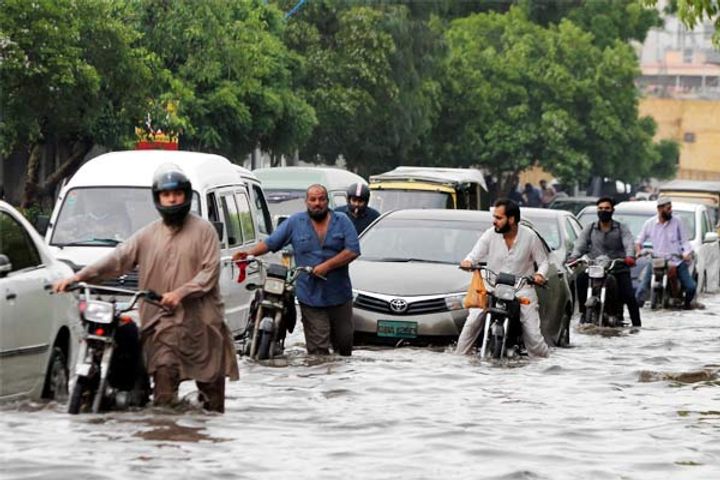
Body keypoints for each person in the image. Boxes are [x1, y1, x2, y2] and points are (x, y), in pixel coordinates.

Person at [54, 164, 239, 413]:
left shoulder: (205, 231)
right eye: (166, 194)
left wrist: (180, 293)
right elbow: (117, 259)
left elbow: (209, 274)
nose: (172, 199)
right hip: (162, 325)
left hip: (203, 327)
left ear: (185, 195)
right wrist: (78, 277)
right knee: (163, 399)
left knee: (212, 404)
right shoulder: (147, 235)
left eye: (176, 193)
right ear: (158, 198)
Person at [233, 184, 360, 356]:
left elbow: (353, 250)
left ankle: (340, 382)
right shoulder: (295, 222)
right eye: (313, 199)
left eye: (321, 199)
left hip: (339, 295)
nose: (317, 203)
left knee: (344, 348)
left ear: (327, 201)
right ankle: (319, 380)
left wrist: (326, 266)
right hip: (310, 296)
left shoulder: (342, 220)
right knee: (318, 351)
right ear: (306, 202)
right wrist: (247, 254)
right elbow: (271, 243)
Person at [455, 198, 550, 358]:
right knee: (472, 322)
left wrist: (540, 275)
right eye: (494, 217)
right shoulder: (490, 235)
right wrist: (468, 262)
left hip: (521, 289)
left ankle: (544, 368)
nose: (494, 222)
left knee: (533, 336)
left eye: (498, 218)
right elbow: (474, 255)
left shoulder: (530, 237)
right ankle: (459, 361)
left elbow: (543, 262)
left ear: (511, 219)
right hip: (492, 287)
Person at [568, 196, 641, 327]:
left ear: (612, 210)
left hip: (617, 267)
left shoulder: (621, 228)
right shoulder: (590, 228)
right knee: (580, 279)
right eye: (600, 208)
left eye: (607, 208)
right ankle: (584, 312)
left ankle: (637, 326)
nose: (603, 211)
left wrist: (630, 256)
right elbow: (580, 244)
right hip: (595, 268)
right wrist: (574, 257)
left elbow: (629, 243)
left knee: (629, 296)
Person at [635, 197, 696, 309]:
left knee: (691, 287)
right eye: (668, 208)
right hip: (656, 261)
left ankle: (686, 305)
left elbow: (685, 241)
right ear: (659, 209)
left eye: (670, 208)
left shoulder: (677, 221)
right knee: (641, 291)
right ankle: (636, 314)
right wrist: (639, 251)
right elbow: (639, 241)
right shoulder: (650, 223)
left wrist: (686, 253)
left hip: (676, 261)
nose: (670, 210)